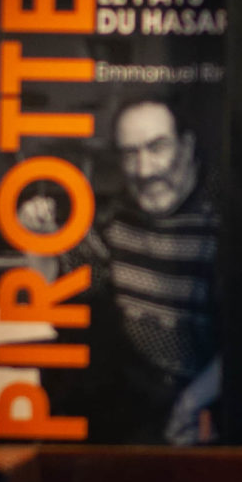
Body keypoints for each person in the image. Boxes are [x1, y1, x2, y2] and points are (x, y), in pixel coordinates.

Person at [84, 95, 220, 443]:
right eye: (130, 153)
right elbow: (76, 281)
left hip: (208, 404)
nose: (144, 170)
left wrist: (192, 403)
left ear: (186, 147)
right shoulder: (116, 216)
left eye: (157, 147)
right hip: (134, 404)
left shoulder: (225, 220)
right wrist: (39, 240)